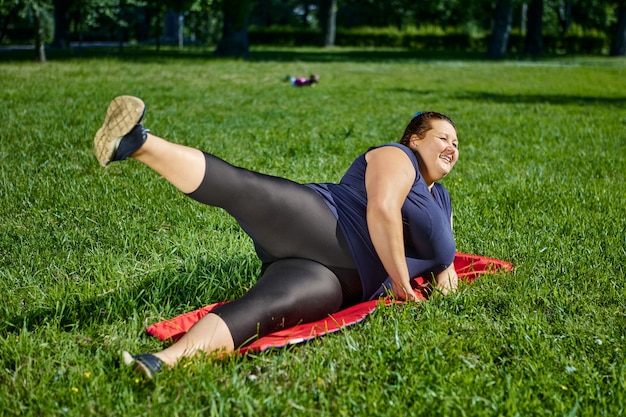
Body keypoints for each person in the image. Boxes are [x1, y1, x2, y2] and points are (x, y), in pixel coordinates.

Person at [93, 96, 459, 378]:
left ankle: (160, 362)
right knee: (245, 189)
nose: (452, 148)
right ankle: (136, 141)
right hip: (326, 226)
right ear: (414, 140)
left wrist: (443, 294)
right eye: (443, 137)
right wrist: (401, 283)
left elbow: (445, 263)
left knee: (265, 310)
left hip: (341, 284)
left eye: (456, 144)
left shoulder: (442, 200)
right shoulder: (397, 157)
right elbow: (381, 209)